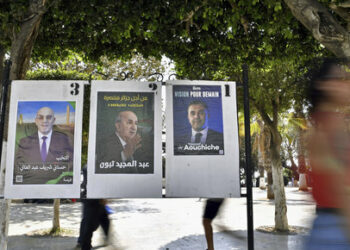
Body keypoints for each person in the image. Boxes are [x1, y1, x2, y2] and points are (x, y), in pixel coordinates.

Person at [304, 59, 350, 249]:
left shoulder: (321, 124)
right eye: (339, 79)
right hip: (337, 230)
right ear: (323, 85)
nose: (345, 84)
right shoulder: (331, 126)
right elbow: (341, 188)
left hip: (326, 226)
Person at [14, 106, 73, 184]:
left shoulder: (64, 140)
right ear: (36, 121)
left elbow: (70, 167)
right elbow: (17, 170)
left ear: (54, 120)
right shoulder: (24, 142)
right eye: (40, 117)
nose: (44, 121)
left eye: (48, 117)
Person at [77, 167, 110, 250]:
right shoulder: (89, 167)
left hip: (94, 199)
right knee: (88, 224)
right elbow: (92, 183)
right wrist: (102, 196)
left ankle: (82, 242)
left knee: (103, 219)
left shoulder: (94, 165)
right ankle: (83, 244)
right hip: (92, 199)